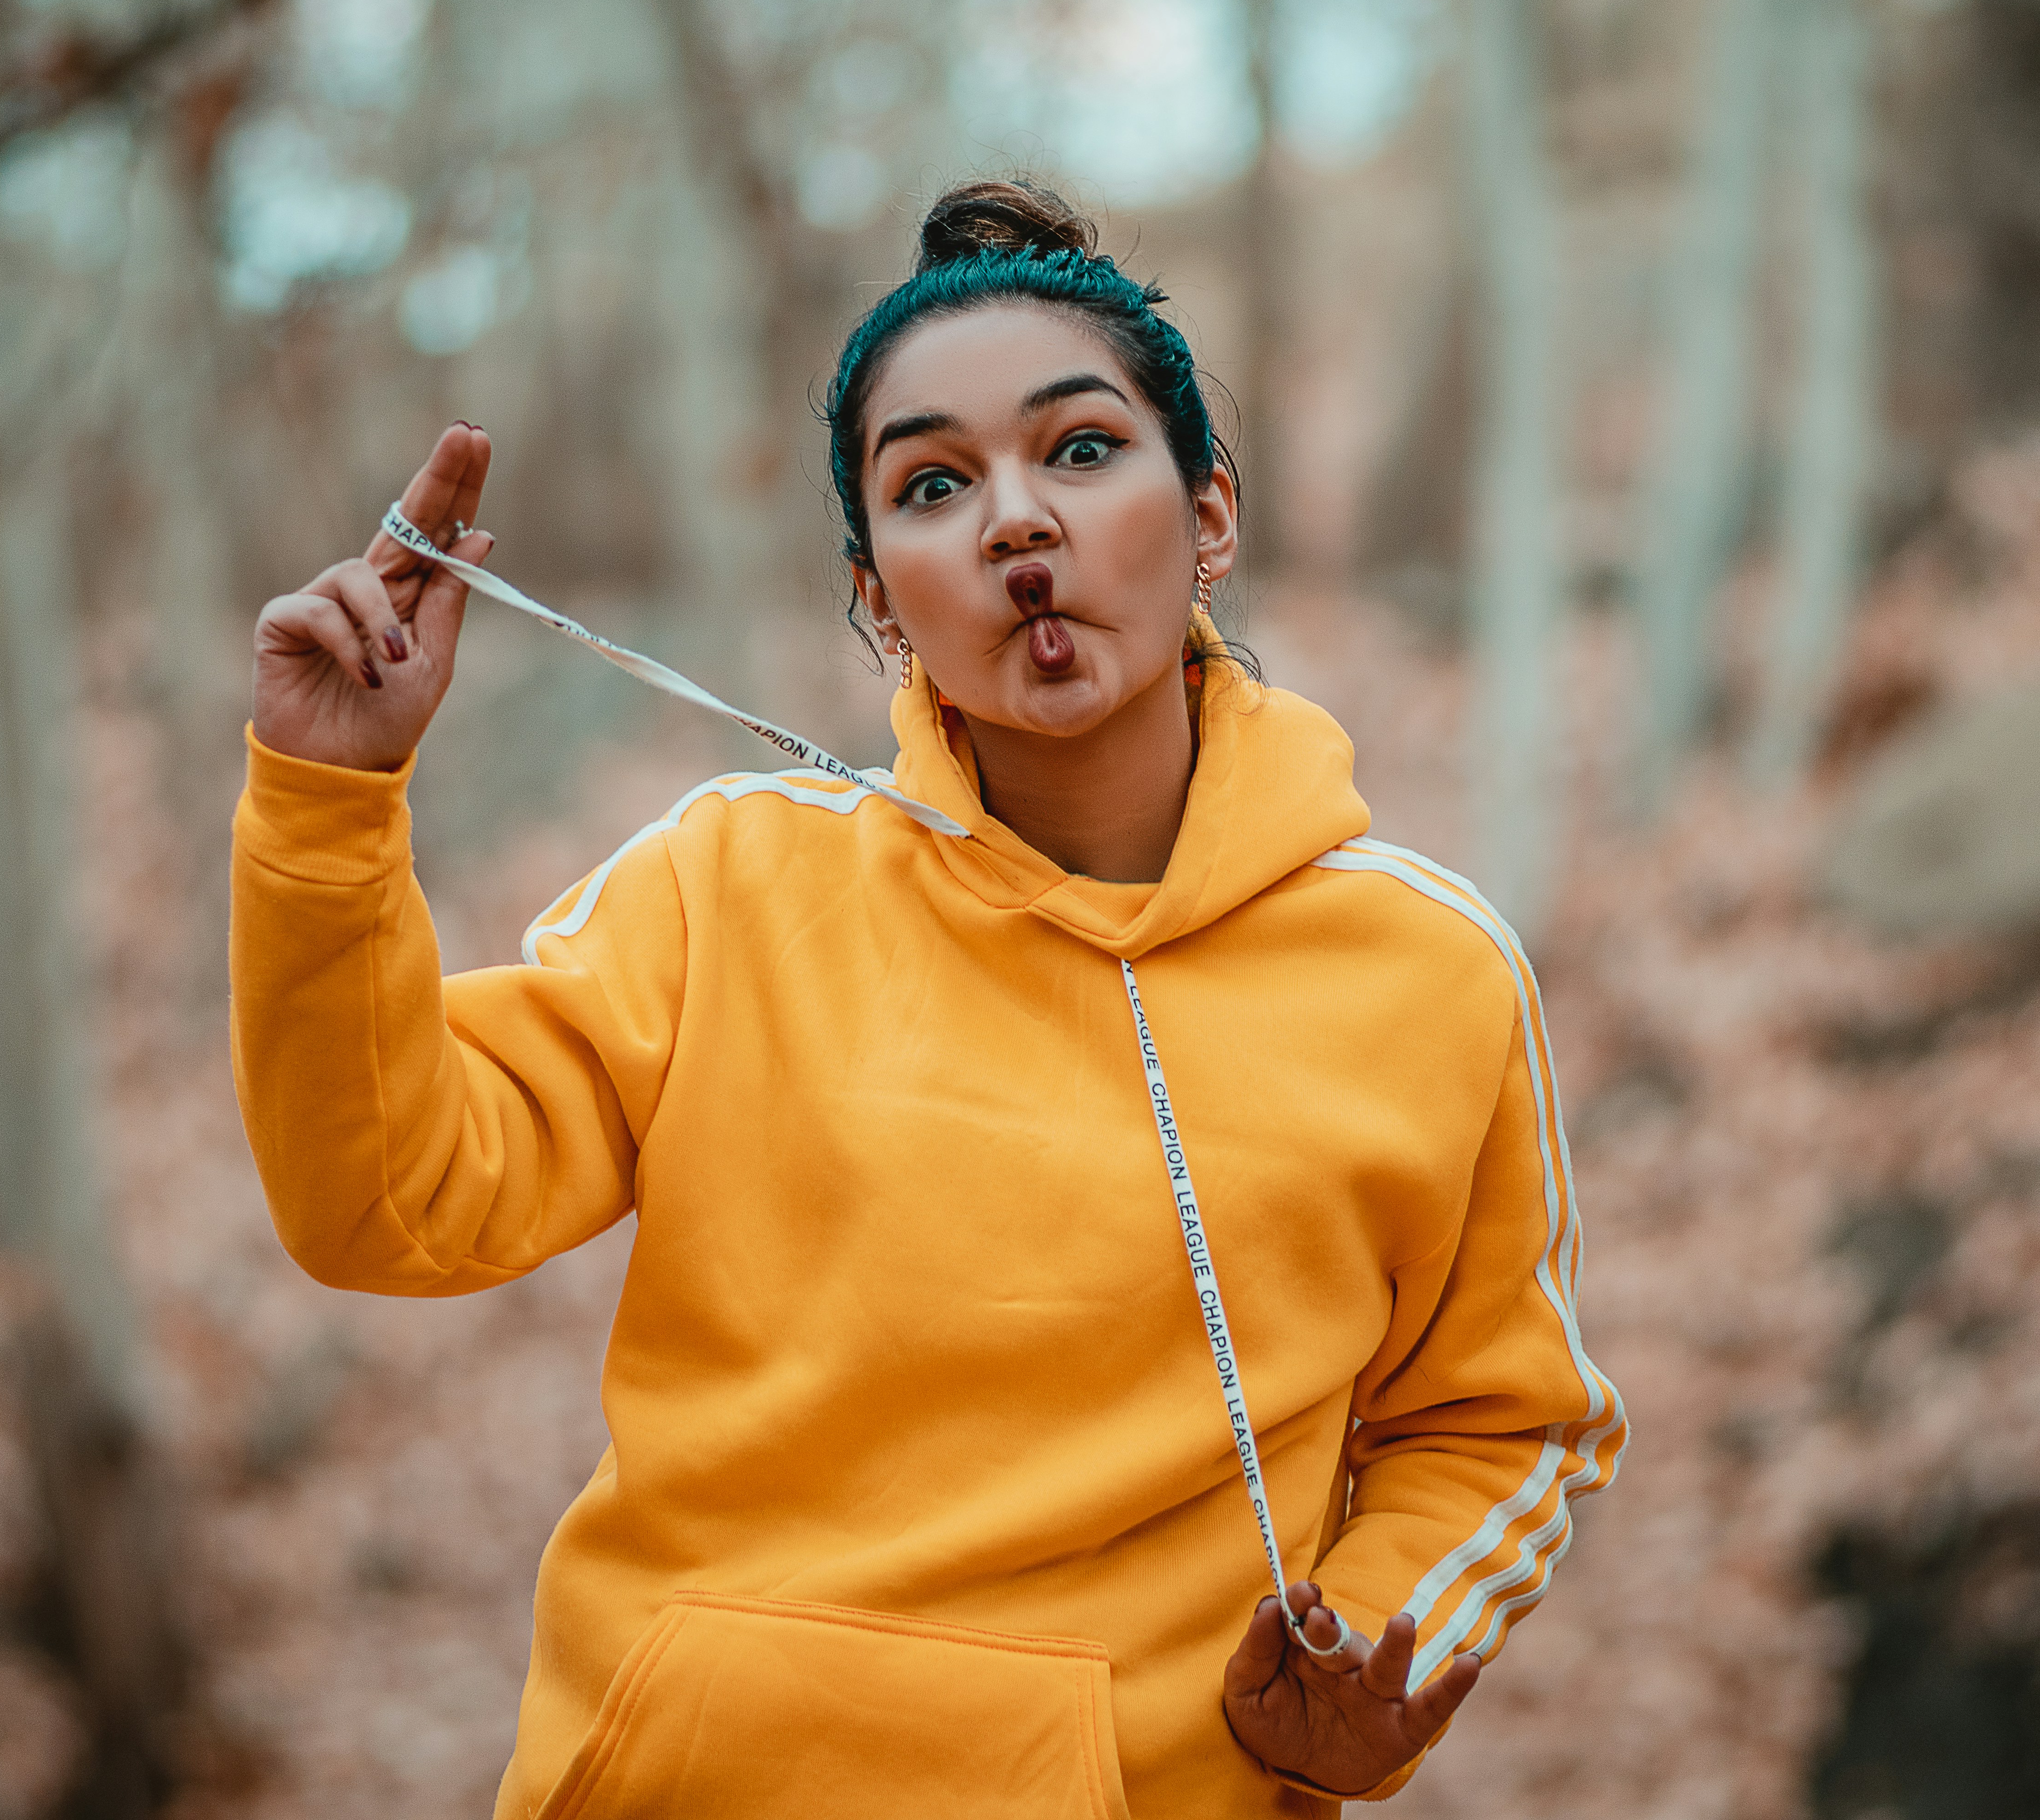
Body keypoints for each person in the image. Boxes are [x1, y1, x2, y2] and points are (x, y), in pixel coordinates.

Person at [232, 179, 1624, 1817]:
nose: (1013, 522)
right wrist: (325, 811)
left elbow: (1500, 1425)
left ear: (1212, 519)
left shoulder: (1425, 969)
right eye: (934, 485)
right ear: (880, 596)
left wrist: (1383, 1654)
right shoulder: (726, 884)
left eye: (1082, 451)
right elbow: (383, 1202)